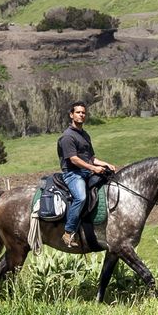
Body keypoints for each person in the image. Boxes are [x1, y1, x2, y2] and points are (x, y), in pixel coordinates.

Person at [57, 102, 115, 249]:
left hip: (86, 171)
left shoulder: (85, 135)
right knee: (81, 197)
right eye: (78, 112)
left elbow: (91, 158)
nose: (81, 115)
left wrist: (105, 164)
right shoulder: (67, 137)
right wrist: (93, 168)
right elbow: (73, 159)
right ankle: (69, 232)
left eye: (83, 112)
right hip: (73, 173)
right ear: (71, 115)